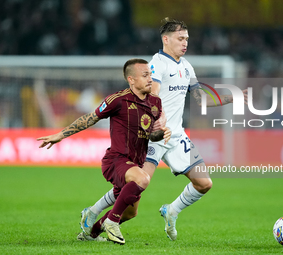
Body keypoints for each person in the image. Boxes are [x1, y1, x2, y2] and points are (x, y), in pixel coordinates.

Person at [80, 18, 248, 241]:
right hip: (153, 138)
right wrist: (159, 116)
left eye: (187, 38)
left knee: (204, 183)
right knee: (131, 203)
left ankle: (172, 210)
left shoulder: (187, 66)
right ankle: (93, 214)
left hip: (176, 136)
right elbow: (154, 94)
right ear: (166, 39)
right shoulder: (157, 64)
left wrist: (230, 98)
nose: (185, 43)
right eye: (180, 38)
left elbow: (199, 99)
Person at [37, 58, 171, 245]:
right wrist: (61, 134)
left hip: (136, 162)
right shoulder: (117, 100)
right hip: (116, 160)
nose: (150, 79)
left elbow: (152, 135)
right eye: (145, 75)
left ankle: (90, 232)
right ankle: (111, 221)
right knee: (142, 179)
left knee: (131, 212)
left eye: (150, 74)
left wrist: (162, 133)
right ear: (131, 79)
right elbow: (90, 118)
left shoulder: (155, 102)